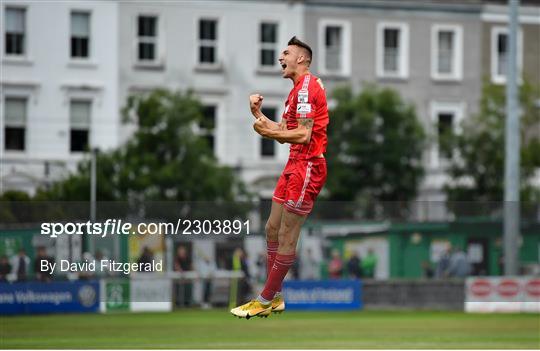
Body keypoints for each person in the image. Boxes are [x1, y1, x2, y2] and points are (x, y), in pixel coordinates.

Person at [231, 36, 329, 319]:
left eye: (285, 53)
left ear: (302, 58)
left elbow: (304, 134)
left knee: (287, 235)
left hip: (308, 166)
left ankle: (264, 299)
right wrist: (258, 114)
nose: (280, 58)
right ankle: (273, 296)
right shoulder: (295, 91)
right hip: (293, 164)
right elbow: (285, 129)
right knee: (271, 229)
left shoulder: (308, 87)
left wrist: (271, 133)